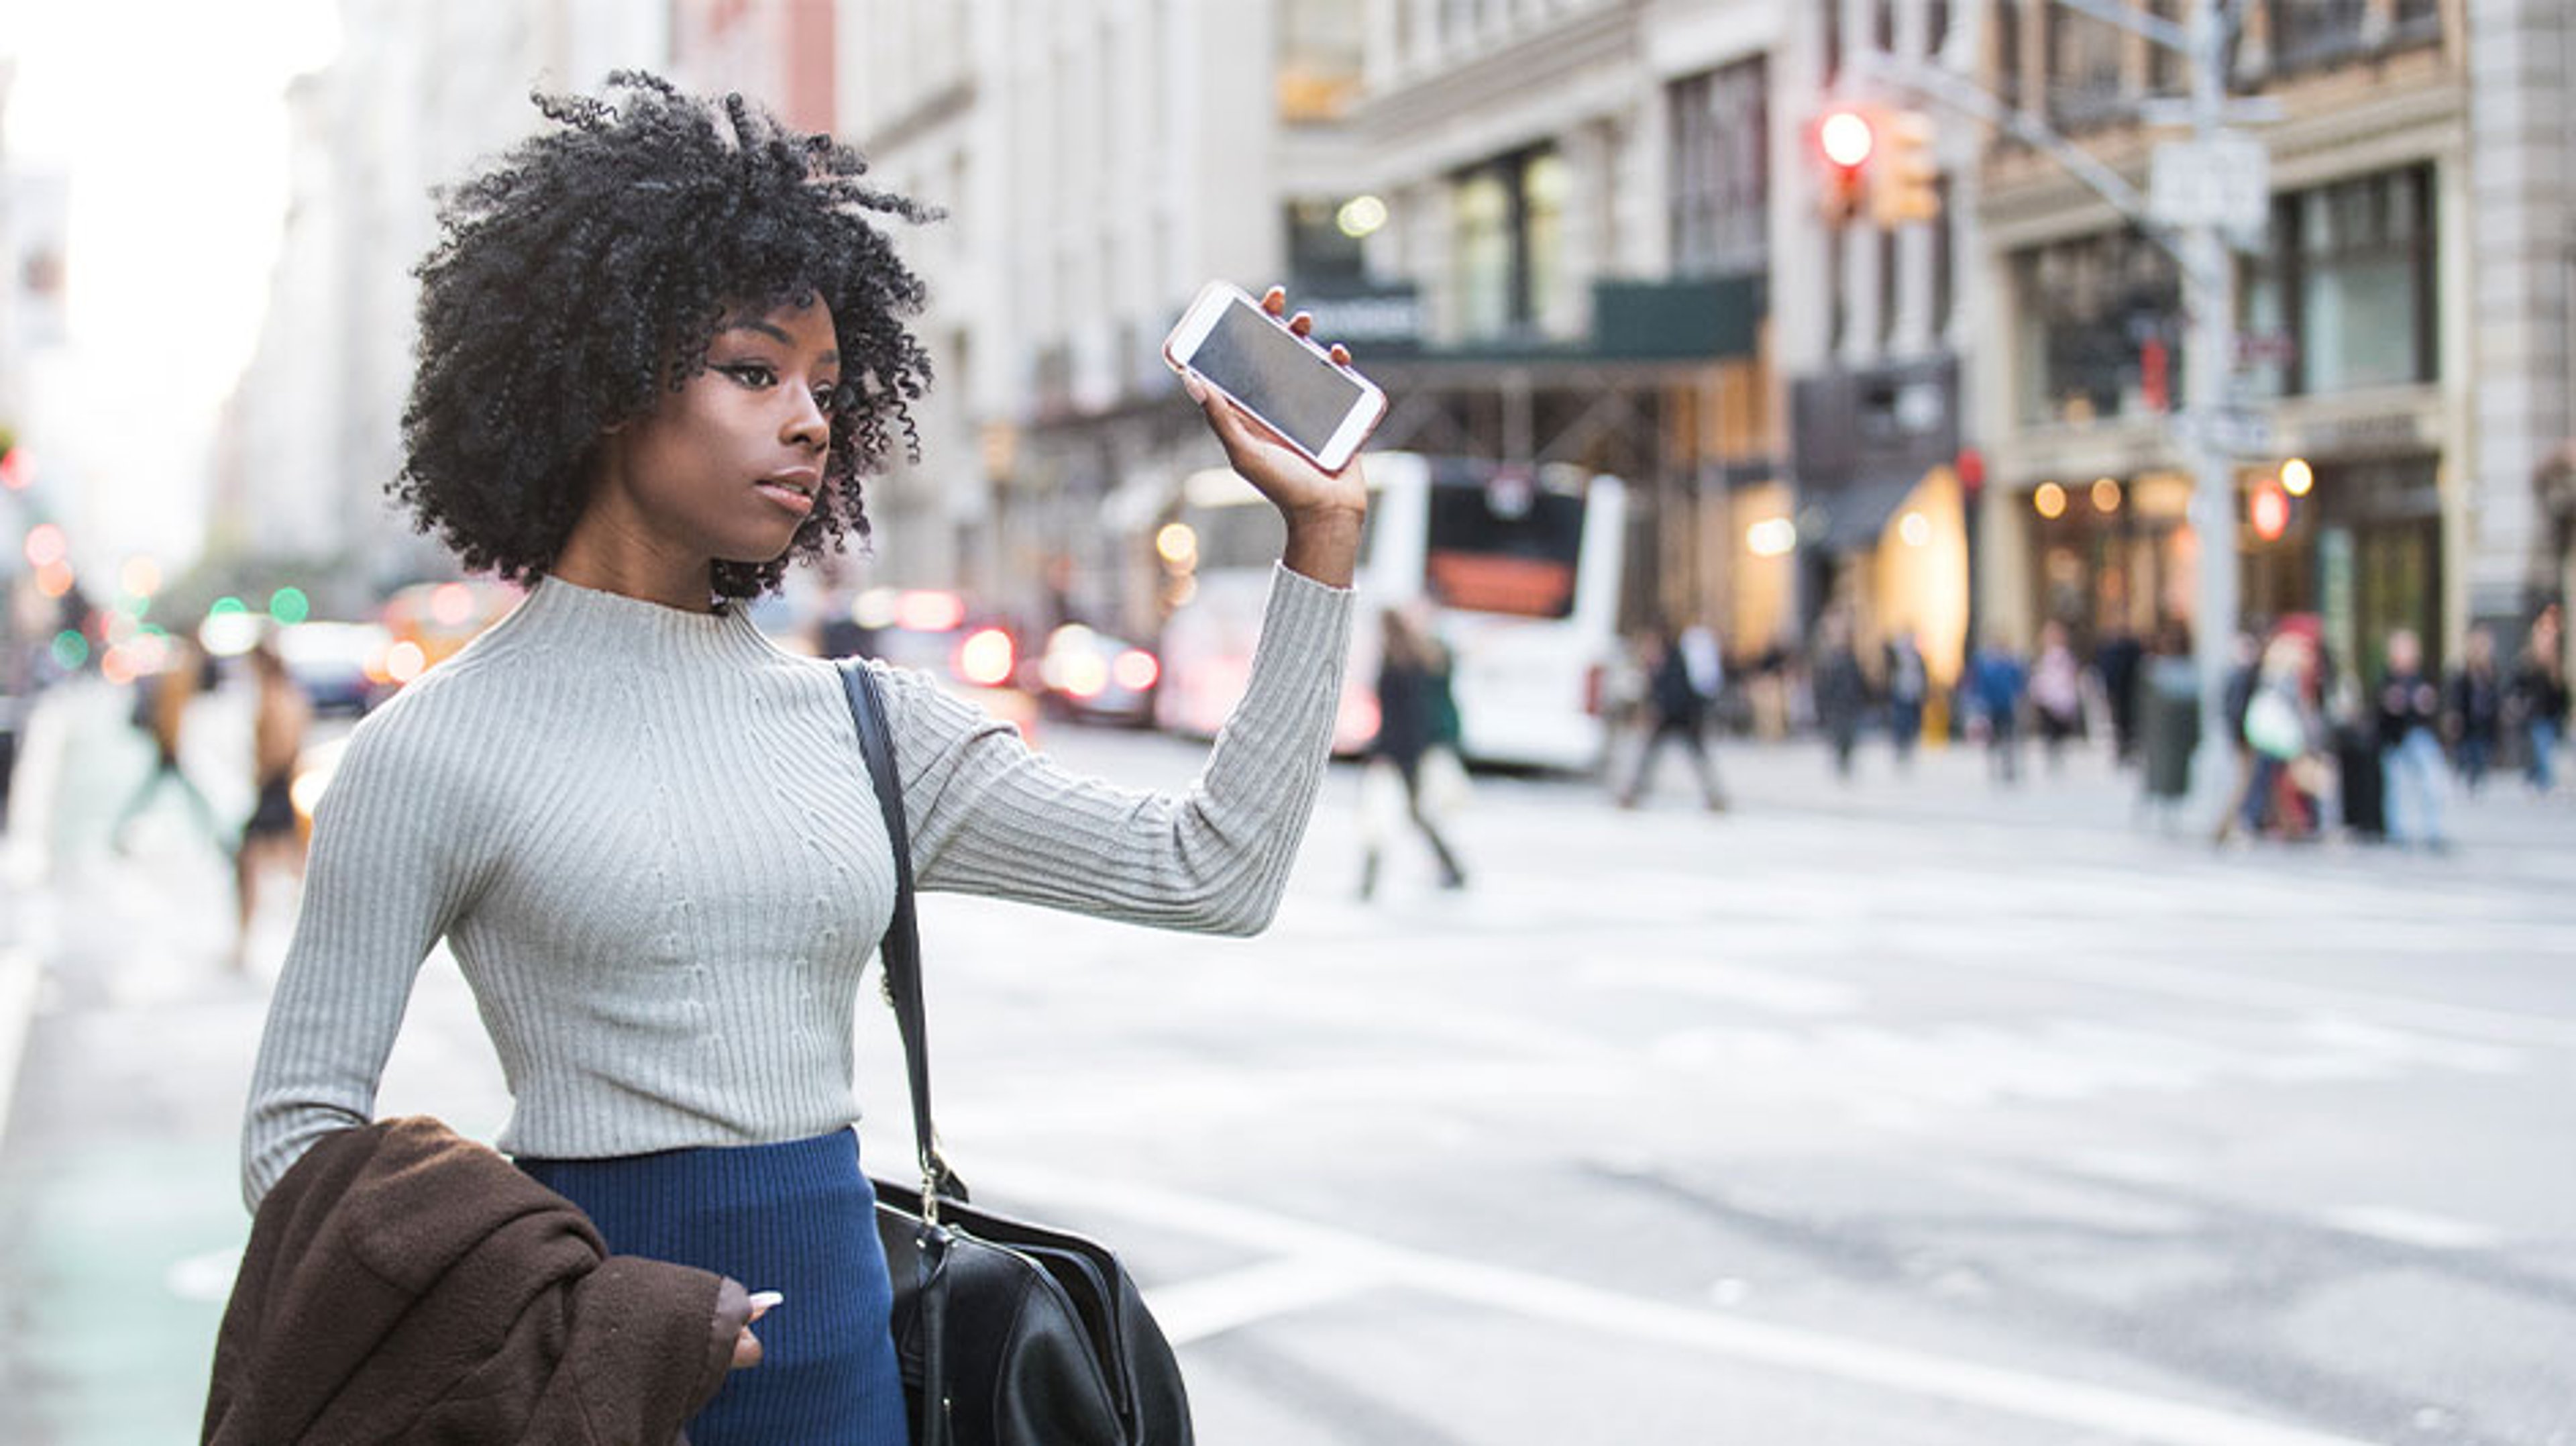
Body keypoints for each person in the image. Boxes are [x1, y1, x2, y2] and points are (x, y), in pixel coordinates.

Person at [233, 74, 1363, 1445]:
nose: (810, 421)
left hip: (850, 1381)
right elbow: (296, 1142)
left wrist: (1319, 547)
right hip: (589, 1397)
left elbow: (1215, 873)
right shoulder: (432, 747)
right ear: (602, 379)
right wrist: (576, 1314)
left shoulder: (868, 727)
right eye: (754, 371)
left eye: (827, 386)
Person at [1358, 605, 1468, 897]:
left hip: (1396, 754)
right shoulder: (1414, 660)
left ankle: (1369, 882)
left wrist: (1386, 751)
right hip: (1405, 753)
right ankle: (1453, 868)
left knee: (1380, 815)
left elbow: (1402, 717)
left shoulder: (1400, 664)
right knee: (1409, 814)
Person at [231, 640, 314, 971]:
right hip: (279, 787)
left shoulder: (275, 696)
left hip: (273, 789)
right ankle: (247, 937)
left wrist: (263, 773)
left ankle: (244, 938)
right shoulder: (290, 694)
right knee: (291, 864)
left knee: (250, 864)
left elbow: (279, 746)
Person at [111, 637, 224, 852]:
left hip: (170, 747)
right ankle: (218, 835)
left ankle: (217, 834)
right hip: (170, 747)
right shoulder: (179, 679)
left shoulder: (177, 679)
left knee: (184, 794)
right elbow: (169, 717)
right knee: (181, 794)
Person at [1615, 622, 1728, 811]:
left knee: (1692, 758)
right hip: (1673, 716)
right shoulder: (1661, 661)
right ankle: (1633, 794)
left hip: (1680, 716)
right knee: (1654, 757)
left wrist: (1660, 709)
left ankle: (1715, 797)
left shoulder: (1674, 661)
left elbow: (1676, 692)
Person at [2374, 628, 2448, 850]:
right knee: (2395, 788)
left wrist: (2427, 703)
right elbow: (2377, 708)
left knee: (2431, 783)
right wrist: (2388, 703)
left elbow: (2436, 704)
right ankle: (2397, 831)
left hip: (2419, 736)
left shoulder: (2422, 678)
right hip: (2394, 739)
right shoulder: (2386, 678)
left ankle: (2434, 830)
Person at [2508, 605, 2568, 794]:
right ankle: (2545, 780)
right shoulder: (2527, 663)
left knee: (2545, 746)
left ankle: (2536, 778)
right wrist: (2518, 703)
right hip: (2534, 714)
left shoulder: (2555, 667)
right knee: (2540, 744)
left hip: (2551, 716)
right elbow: (2516, 686)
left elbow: (2561, 695)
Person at [2444, 624, 2504, 792]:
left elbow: (2497, 696)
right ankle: (2468, 777)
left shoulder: (2491, 672)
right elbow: (2456, 694)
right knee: (2468, 752)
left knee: (2481, 753)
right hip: (2468, 722)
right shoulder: (2464, 672)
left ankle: (2476, 780)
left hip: (2485, 722)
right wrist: (2453, 715)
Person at [1811, 610, 1868, 781]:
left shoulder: (1851, 659)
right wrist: (1824, 702)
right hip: (1837, 704)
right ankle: (1840, 761)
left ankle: (1846, 760)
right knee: (1839, 732)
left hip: (1849, 702)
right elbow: (1824, 684)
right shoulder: (1829, 660)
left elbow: (1859, 681)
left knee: (1849, 734)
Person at [1968, 633, 2027, 784]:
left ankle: (2008, 767)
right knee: (1993, 737)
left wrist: (2019, 696)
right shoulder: (1986, 665)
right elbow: (1979, 684)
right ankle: (1994, 764)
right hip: (1991, 706)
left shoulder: (2010, 664)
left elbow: (2018, 682)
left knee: (2008, 736)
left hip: (2006, 705)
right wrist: (1980, 701)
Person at [2028, 619, 2085, 773]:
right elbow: (2039, 678)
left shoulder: (2066, 657)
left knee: (2059, 730)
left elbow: (2072, 677)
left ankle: (2057, 753)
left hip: (2062, 700)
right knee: (2050, 730)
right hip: (2048, 699)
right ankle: (2052, 754)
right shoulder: (2044, 657)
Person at [1884, 627, 1928, 772]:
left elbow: (1923, 675)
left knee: (1911, 721)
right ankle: (1900, 746)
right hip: (1900, 693)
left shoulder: (1917, 657)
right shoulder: (1896, 658)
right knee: (1900, 721)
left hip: (1913, 694)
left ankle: (1908, 746)